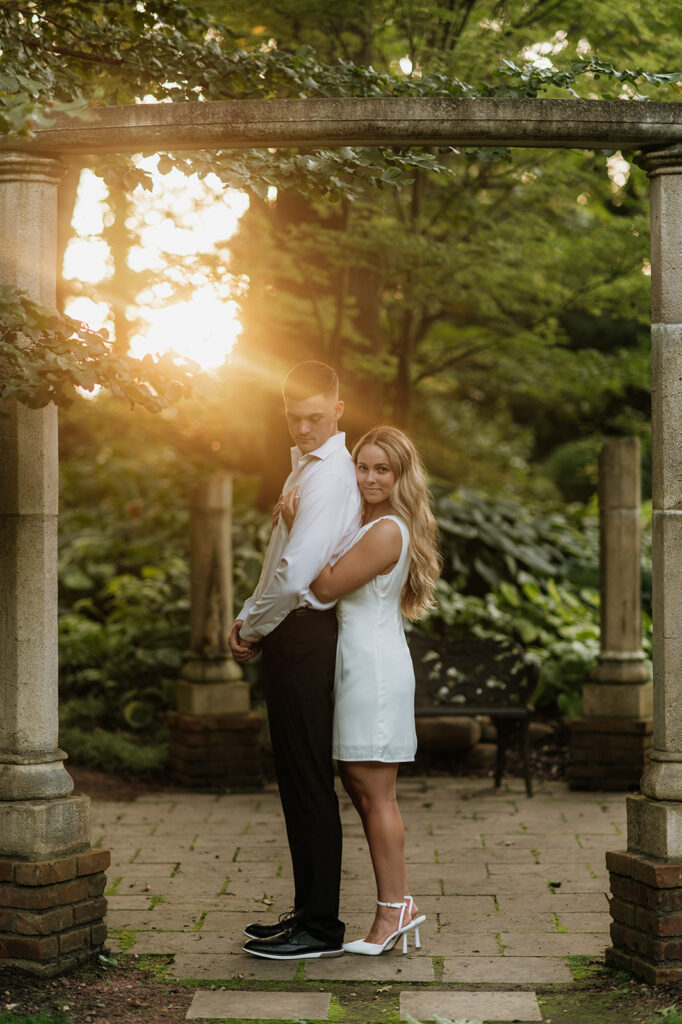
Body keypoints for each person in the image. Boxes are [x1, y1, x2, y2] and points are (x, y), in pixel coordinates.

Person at [280, 425, 441, 956]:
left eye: (382, 469)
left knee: (376, 795)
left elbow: (324, 585)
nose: (369, 478)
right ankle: (398, 906)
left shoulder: (388, 529)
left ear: (399, 476)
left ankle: (394, 910)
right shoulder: (367, 521)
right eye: (362, 466)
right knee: (361, 788)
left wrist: (299, 528)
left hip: (372, 671)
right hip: (355, 665)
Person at [229, 360, 361, 961]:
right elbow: (278, 558)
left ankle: (322, 928)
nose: (304, 428)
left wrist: (252, 625)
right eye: (294, 417)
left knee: (308, 779)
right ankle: (306, 912)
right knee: (294, 779)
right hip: (289, 630)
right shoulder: (304, 466)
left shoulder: (331, 476)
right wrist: (249, 615)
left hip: (304, 634)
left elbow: (295, 575)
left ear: (338, 411)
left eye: (315, 417)